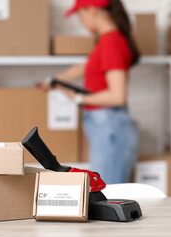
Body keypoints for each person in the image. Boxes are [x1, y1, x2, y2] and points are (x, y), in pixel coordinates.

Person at [37, 0, 140, 184]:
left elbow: (117, 96)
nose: (81, 21)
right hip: (107, 125)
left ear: (92, 10)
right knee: (103, 192)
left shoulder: (111, 43)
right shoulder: (106, 41)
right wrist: (53, 81)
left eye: (80, 15)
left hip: (110, 127)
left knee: (106, 193)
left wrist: (77, 97)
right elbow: (82, 68)